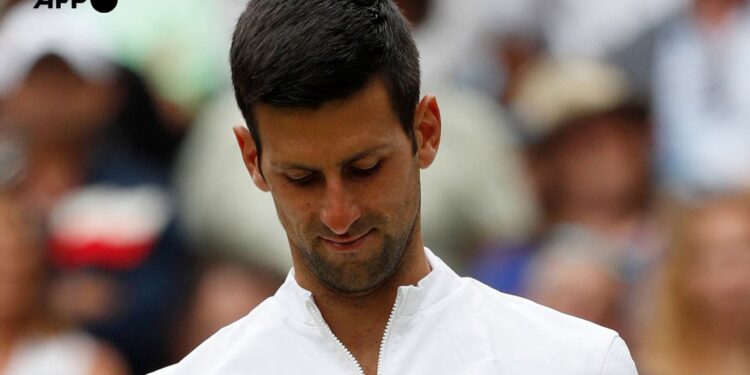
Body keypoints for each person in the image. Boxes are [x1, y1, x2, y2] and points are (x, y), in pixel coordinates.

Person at [151, 0, 637, 374]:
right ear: (252, 161)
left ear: (425, 132)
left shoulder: (576, 362)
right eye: (302, 179)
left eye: (365, 168)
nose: (338, 213)